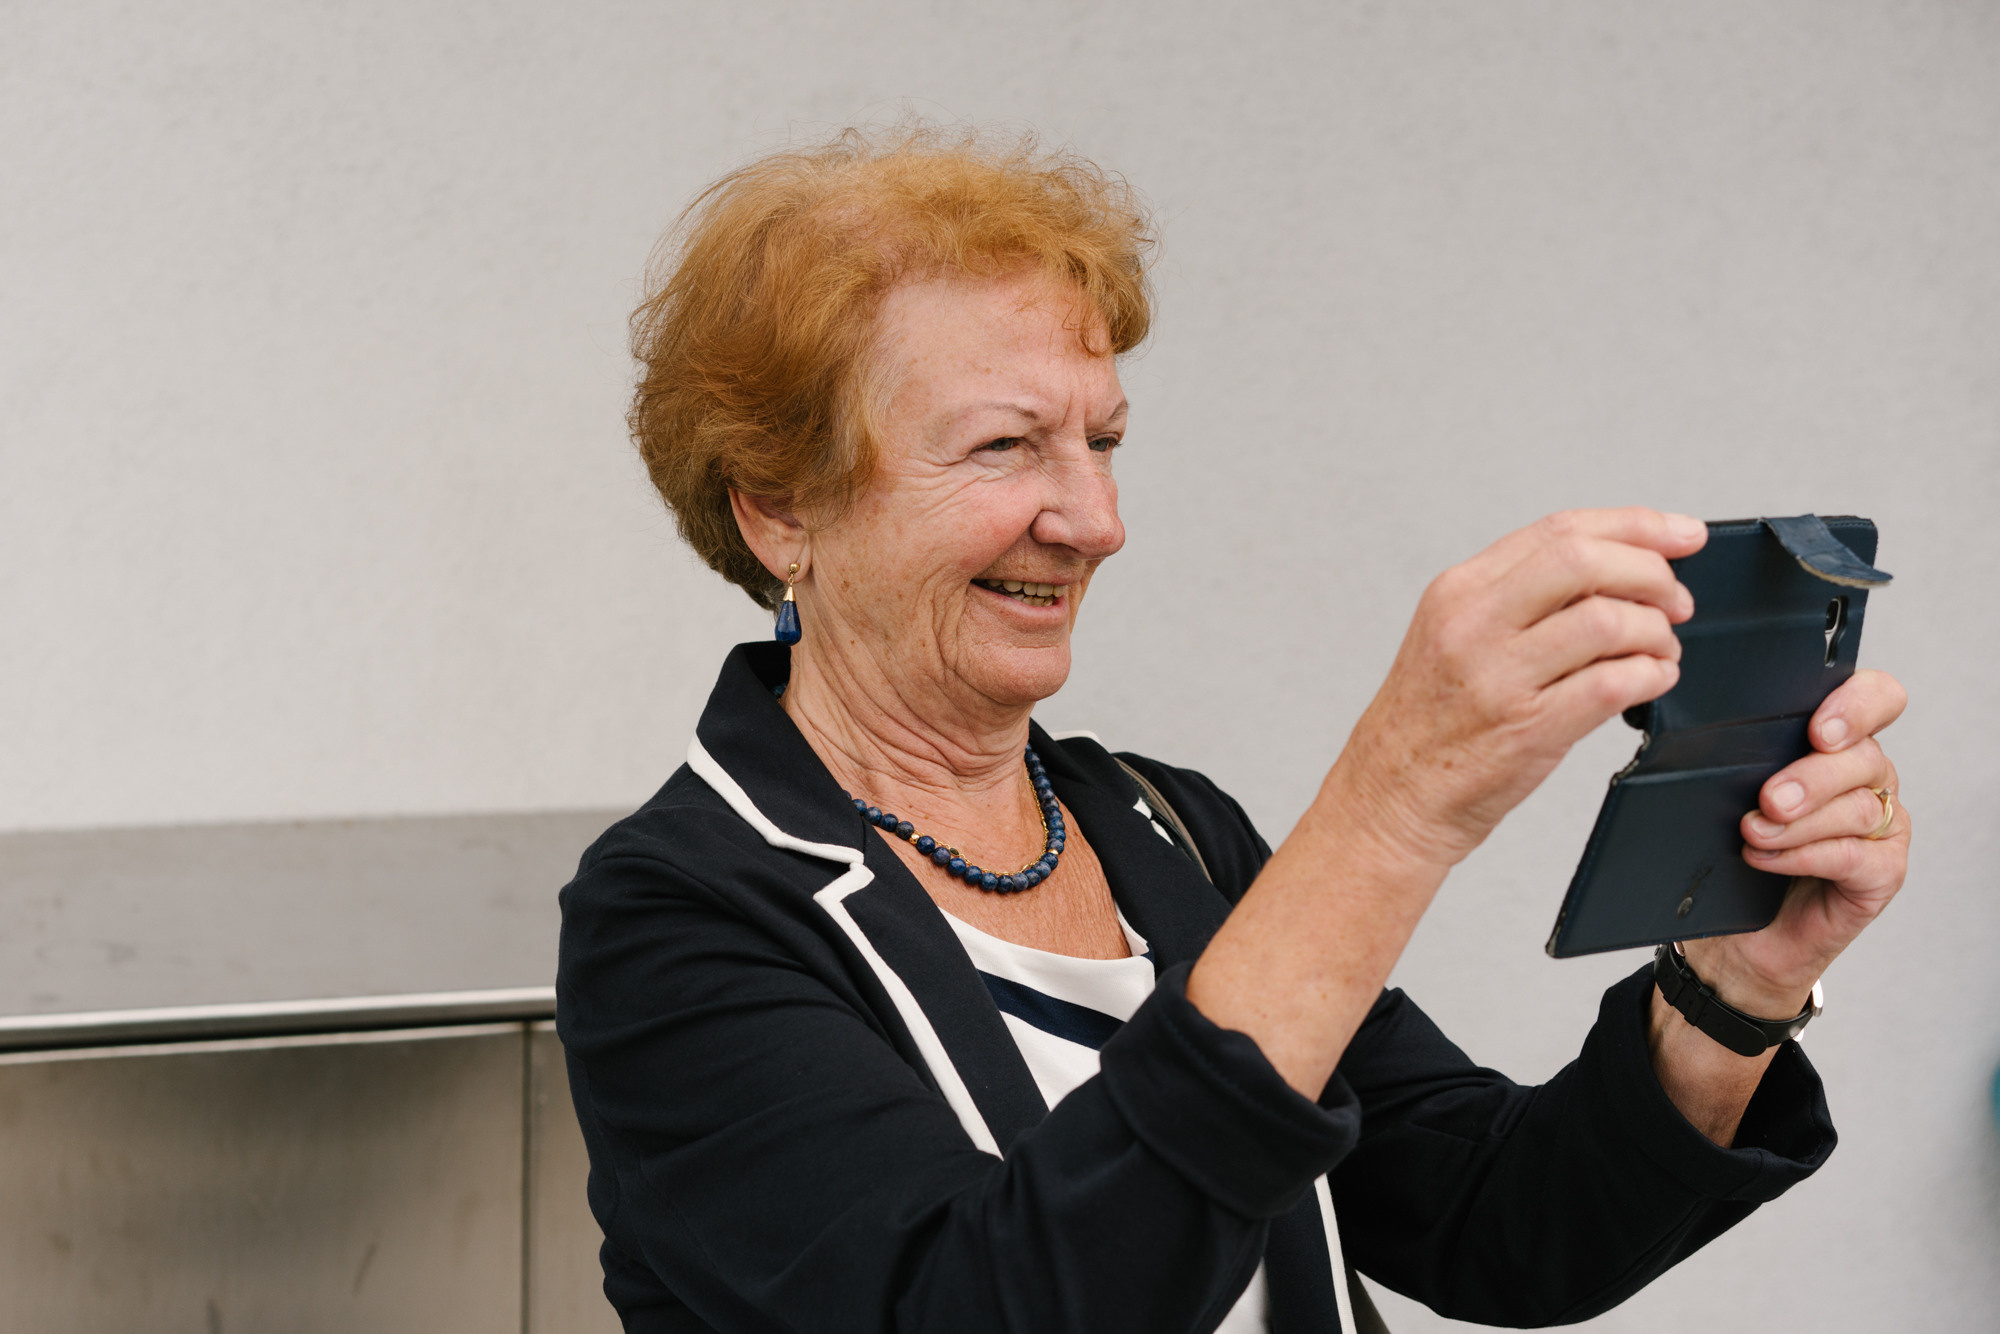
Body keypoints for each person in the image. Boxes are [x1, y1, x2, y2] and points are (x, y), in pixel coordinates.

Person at [556, 125, 1911, 1334]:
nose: (1095, 521)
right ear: (780, 507)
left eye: (1106, 442)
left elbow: (1502, 1226)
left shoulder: (1163, 826)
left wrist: (1734, 986)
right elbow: (1000, 1299)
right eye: (1005, 448)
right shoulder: (675, 917)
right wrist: (1385, 811)